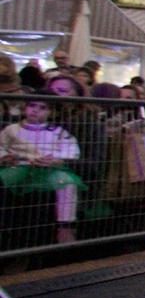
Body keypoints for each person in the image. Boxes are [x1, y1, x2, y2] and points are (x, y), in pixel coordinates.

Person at [0, 95, 84, 243]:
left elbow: (71, 150)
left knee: (68, 183)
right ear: (25, 108)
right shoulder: (11, 129)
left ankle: (65, 226)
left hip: (49, 169)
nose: (36, 110)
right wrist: (5, 156)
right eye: (32, 105)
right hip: (19, 166)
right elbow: (1, 146)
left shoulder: (58, 131)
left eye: (42, 108)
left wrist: (55, 158)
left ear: (51, 112)